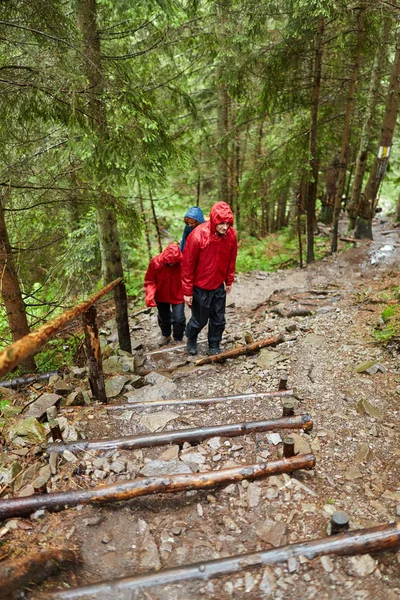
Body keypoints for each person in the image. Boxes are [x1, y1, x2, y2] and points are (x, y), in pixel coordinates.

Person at [182, 201, 237, 356]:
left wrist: (229, 280)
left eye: (228, 223)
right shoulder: (198, 235)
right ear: (214, 220)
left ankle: (214, 343)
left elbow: (231, 259)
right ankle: (191, 337)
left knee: (219, 319)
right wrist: (187, 291)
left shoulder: (231, 235)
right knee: (199, 320)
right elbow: (187, 264)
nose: (225, 227)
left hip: (218, 285)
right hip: (200, 287)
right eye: (221, 223)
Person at [144, 242, 186, 346]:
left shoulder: (183, 262)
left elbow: (189, 277)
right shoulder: (155, 262)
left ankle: (178, 338)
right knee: (164, 317)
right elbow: (150, 280)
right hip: (161, 295)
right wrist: (150, 294)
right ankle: (166, 335)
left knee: (179, 318)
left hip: (178, 293)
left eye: (174, 262)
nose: (172, 264)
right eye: (169, 262)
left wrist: (190, 292)